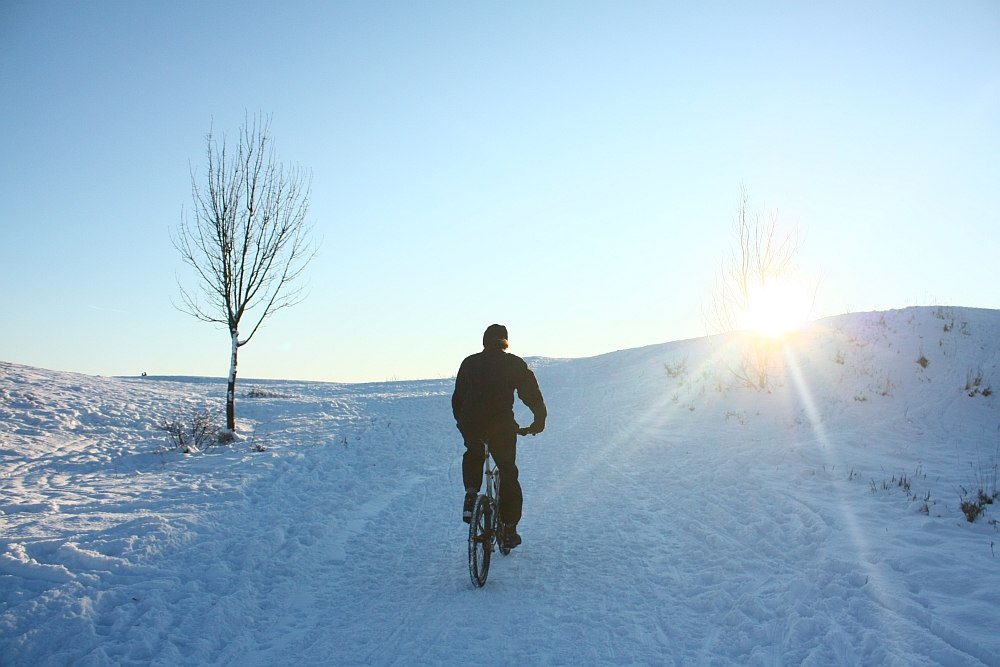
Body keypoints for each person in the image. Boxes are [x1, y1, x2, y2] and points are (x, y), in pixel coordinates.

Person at [452, 324, 546, 548]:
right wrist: (538, 420)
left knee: (474, 451)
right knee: (507, 471)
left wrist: (463, 424)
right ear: (505, 341)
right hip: (501, 427)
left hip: (472, 425)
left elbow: (458, 399)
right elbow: (531, 393)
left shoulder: (470, 362)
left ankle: (471, 495)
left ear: (484, 341)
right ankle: (510, 530)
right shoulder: (512, 363)